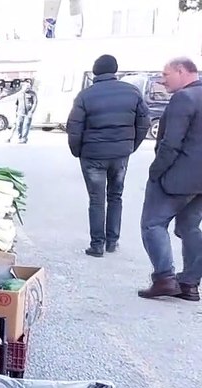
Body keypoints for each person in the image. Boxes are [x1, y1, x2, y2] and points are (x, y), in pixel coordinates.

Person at [65, 54, 151, 257]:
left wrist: (78, 152)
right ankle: (112, 241)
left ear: (95, 72)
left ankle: (97, 245)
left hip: (93, 155)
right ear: (115, 70)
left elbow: (74, 128)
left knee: (96, 199)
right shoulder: (132, 92)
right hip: (120, 154)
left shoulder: (85, 95)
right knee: (116, 196)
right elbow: (144, 123)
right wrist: (130, 146)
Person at [139, 56, 202, 301]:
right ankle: (189, 284)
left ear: (181, 71)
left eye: (166, 75)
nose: (162, 80)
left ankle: (165, 278)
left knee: (153, 224)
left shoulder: (184, 98)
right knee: (189, 227)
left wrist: (156, 171)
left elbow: (171, 143)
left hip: (177, 177)